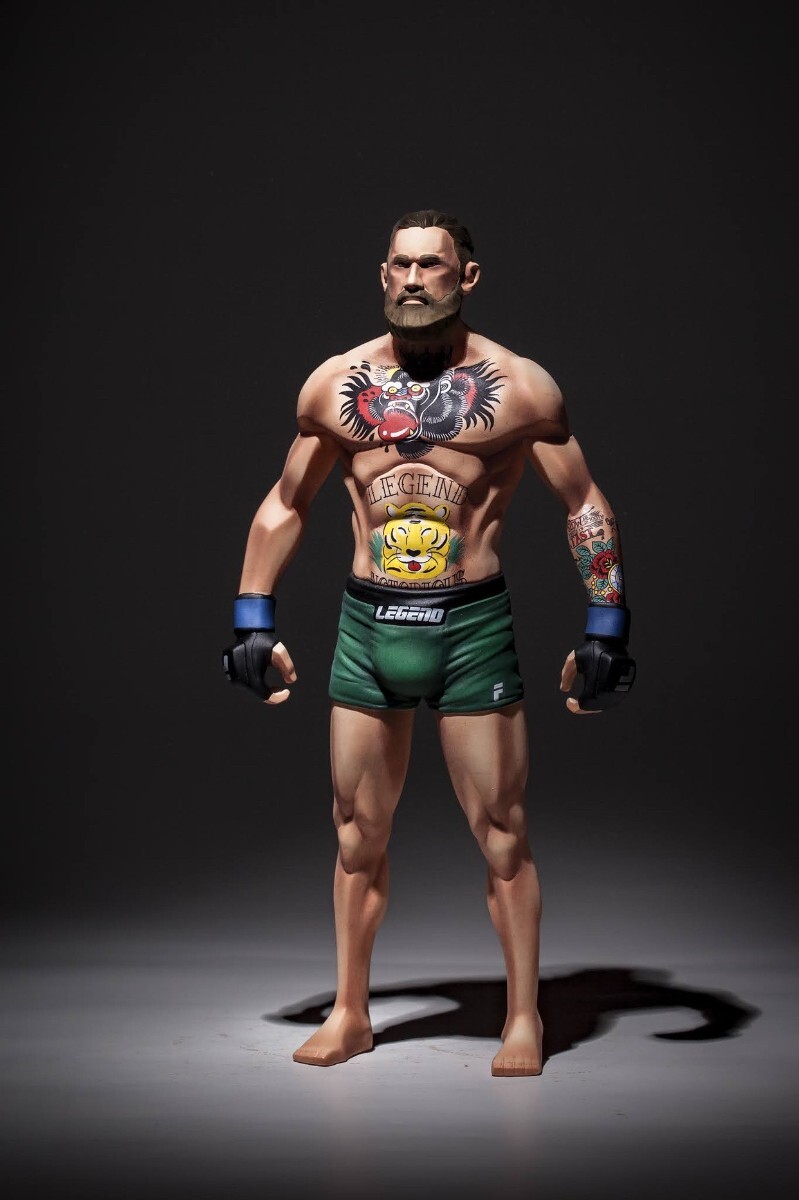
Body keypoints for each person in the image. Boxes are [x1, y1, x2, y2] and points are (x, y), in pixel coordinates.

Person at [223, 209, 635, 1077]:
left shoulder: (518, 388)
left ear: (466, 277)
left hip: (470, 630)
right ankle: (350, 1013)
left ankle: (521, 1019)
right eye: (401, 264)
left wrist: (606, 624)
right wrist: (252, 617)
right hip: (367, 628)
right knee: (353, 835)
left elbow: (582, 503)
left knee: (501, 834)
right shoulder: (335, 386)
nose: (414, 279)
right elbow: (287, 503)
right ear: (383, 274)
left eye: (432, 265)